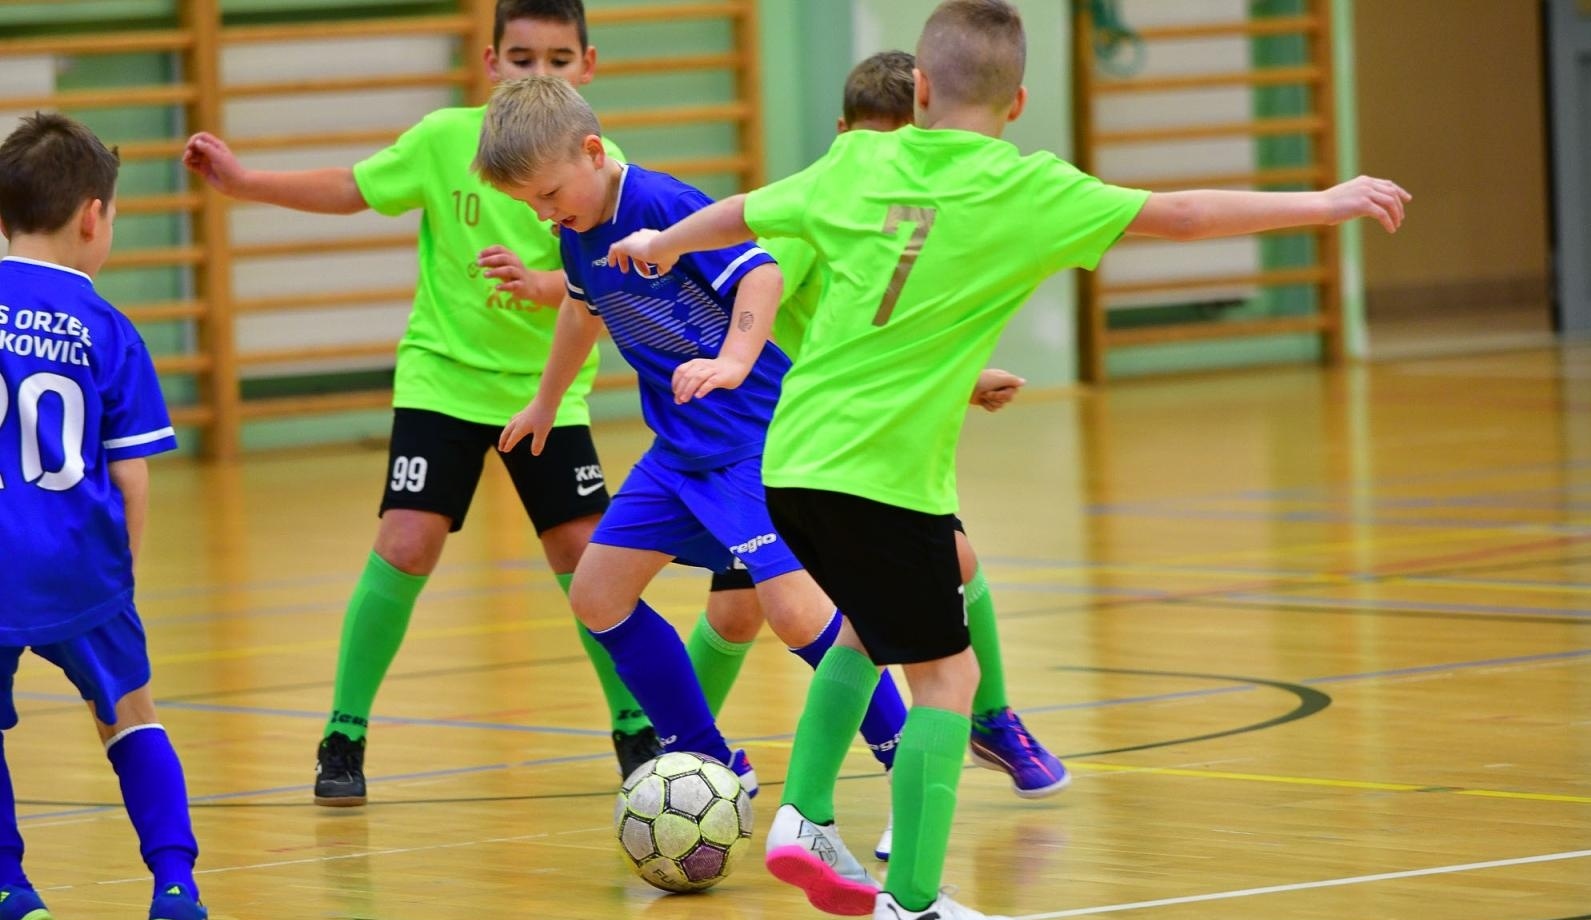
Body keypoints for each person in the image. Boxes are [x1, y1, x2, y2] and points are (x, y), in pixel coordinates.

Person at [606, 0, 1410, 920]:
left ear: (921, 90)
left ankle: (803, 817)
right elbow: (1184, 215)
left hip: (792, 460)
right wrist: (1323, 202)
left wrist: (662, 246)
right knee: (949, 675)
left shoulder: (859, 160)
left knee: (866, 632)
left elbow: (746, 210)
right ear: (1020, 99)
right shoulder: (1033, 188)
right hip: (882, 476)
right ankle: (912, 907)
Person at [182, 0, 680, 804]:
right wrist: (246, 181)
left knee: (586, 554)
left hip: (546, 390)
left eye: (558, 60)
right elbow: (352, 187)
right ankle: (344, 731)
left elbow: (603, 277)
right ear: (490, 62)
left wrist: (544, 283)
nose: (539, 74)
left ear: (588, 68)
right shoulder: (447, 138)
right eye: (522, 59)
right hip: (441, 380)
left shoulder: (600, 163)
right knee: (407, 540)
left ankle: (633, 724)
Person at [475, 75, 909, 868]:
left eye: (548, 195)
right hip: (677, 454)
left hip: (752, 442)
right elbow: (583, 309)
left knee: (794, 611)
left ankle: (908, 767)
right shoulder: (578, 230)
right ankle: (714, 764)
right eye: (531, 206)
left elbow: (763, 273)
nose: (544, 214)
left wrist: (733, 359)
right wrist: (544, 403)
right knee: (597, 595)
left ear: (593, 152)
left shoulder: (663, 206)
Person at [698, 51, 1072, 865]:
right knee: (870, 620)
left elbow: (878, 325)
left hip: (847, 446)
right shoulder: (832, 199)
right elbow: (763, 275)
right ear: (845, 138)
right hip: (806, 442)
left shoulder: (906, 202)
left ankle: (860, 791)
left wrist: (962, 377)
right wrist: (734, 362)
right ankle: (725, 768)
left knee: (901, 600)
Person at [0, 113, 220, 920]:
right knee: (130, 715)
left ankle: (14, 894)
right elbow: (132, 481)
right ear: (94, 216)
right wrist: (118, 579)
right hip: (80, 566)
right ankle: (176, 891)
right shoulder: (108, 328)